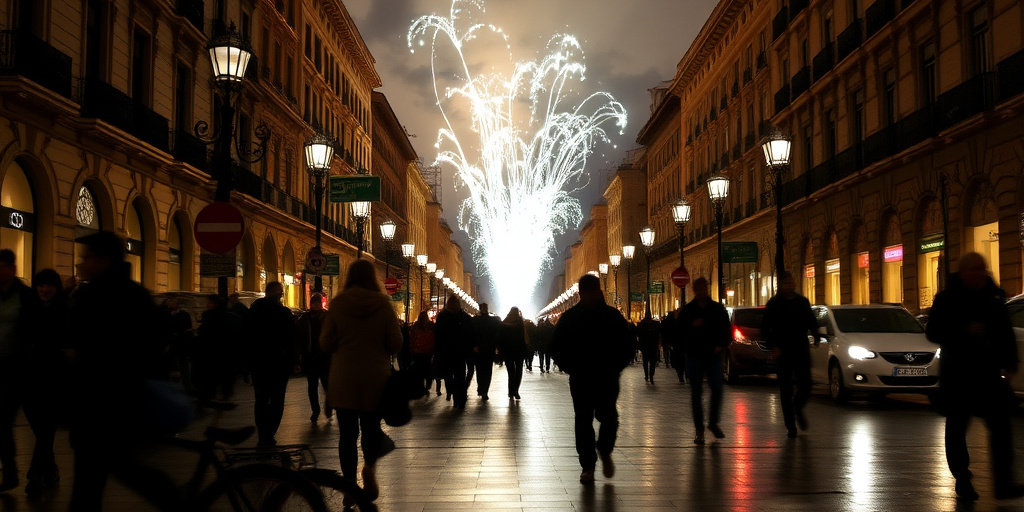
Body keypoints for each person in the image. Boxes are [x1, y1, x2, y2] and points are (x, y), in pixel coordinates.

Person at [67, 231, 173, 511]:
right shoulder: (128, 293)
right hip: (111, 405)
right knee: (106, 476)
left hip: (106, 405)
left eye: (86, 258)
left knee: (97, 482)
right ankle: (174, 499)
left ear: (104, 261)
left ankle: (176, 500)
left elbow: (85, 345)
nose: (81, 264)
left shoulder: (102, 296)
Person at [926, 252, 1024, 501]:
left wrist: (1010, 361)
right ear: (962, 273)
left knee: (1001, 426)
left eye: (982, 269)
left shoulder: (993, 297)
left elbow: (1005, 332)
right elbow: (933, 331)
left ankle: (1004, 482)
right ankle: (962, 477)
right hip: (958, 375)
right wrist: (964, 330)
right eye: (973, 270)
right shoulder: (946, 299)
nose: (979, 274)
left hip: (988, 374)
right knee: (957, 427)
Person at [320, 259, 402, 504]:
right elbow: (395, 343)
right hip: (375, 379)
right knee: (370, 429)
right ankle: (369, 467)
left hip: (344, 378)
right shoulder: (384, 305)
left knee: (346, 434)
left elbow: (325, 343)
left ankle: (348, 486)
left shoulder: (337, 304)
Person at [550, 274, 633, 484]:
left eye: (592, 292)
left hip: (606, 376)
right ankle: (587, 465)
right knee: (584, 420)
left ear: (598, 292)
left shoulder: (612, 317)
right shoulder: (571, 318)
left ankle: (604, 450)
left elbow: (628, 345)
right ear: (581, 293)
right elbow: (555, 346)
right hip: (582, 377)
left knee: (609, 417)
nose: (589, 296)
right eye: (586, 292)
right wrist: (569, 367)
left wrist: (617, 367)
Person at [22, 269, 72, 495]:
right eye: (40, 285)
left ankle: (35, 475)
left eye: (48, 285)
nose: (43, 289)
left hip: (55, 380)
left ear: (56, 287)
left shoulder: (65, 309)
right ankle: (51, 469)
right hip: (30, 379)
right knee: (41, 429)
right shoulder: (30, 308)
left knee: (45, 430)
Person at [761, 272, 817, 438]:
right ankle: (790, 424)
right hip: (783, 350)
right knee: (785, 388)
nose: (790, 285)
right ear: (781, 285)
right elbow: (765, 328)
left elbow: (811, 321)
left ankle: (797, 407)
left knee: (806, 384)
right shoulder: (774, 304)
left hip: (800, 348)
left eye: (791, 281)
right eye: (786, 282)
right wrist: (773, 346)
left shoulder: (802, 302)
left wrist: (816, 335)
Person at [0, 249, 37, 492]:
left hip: (19, 369)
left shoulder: (25, 296)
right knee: (1, 423)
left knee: (38, 425)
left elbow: (35, 330)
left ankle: (40, 469)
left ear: (12, 268)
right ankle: (11, 472)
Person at [677, 277, 730, 445]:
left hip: (712, 354)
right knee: (696, 392)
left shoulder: (716, 309)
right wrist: (691, 326)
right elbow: (679, 332)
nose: (701, 292)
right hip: (694, 354)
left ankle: (713, 422)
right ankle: (699, 428)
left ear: (707, 289)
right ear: (694, 290)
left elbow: (726, 329)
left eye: (703, 289)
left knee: (717, 388)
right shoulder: (689, 310)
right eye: (698, 289)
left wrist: (721, 345)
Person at [247, 281, 297, 446]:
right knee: (277, 399)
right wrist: (294, 361)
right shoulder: (283, 313)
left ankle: (263, 434)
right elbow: (292, 340)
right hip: (279, 364)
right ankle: (269, 433)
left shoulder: (253, 312)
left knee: (260, 399)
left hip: (258, 363)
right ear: (278, 294)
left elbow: (245, 339)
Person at [194, 294, 242, 402]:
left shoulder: (210, 316)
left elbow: (204, 333)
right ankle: (224, 395)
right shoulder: (232, 316)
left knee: (210, 378)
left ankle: (207, 398)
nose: (207, 305)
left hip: (212, 353)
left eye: (209, 303)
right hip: (227, 353)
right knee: (225, 377)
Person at [434, 294, 475, 408]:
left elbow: (438, 336)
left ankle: (456, 396)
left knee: (450, 376)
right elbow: (471, 334)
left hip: (448, 351)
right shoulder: (465, 318)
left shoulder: (442, 317)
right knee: (459, 376)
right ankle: (459, 399)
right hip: (459, 351)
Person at [296, 294, 331, 423]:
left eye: (317, 303)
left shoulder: (327, 317)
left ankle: (328, 405)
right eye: (313, 303)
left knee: (326, 384)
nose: (315, 305)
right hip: (310, 356)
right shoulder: (304, 318)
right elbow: (299, 337)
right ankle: (315, 409)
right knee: (312, 385)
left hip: (324, 356)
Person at [472, 303, 501, 400]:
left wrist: (474, 345)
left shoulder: (475, 320)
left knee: (480, 370)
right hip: (489, 349)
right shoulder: (493, 321)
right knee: (487, 371)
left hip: (479, 349)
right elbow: (496, 335)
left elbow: (473, 334)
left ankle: (481, 389)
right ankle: (484, 391)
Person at [500, 307, 529, 400]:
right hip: (519, 350)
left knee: (511, 372)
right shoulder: (520, 323)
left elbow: (501, 337)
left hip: (508, 351)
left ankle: (511, 392)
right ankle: (515, 390)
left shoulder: (505, 322)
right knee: (518, 371)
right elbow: (524, 337)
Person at [410, 311, 436, 392]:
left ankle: (421, 386)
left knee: (419, 370)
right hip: (428, 351)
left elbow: (412, 339)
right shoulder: (431, 326)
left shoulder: (416, 326)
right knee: (428, 369)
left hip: (419, 351)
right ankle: (427, 386)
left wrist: (412, 349)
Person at [637, 307, 661, 383]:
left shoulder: (643, 324)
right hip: (647, 346)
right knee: (648, 362)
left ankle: (650, 375)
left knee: (651, 362)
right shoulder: (643, 324)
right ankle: (648, 375)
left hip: (651, 345)